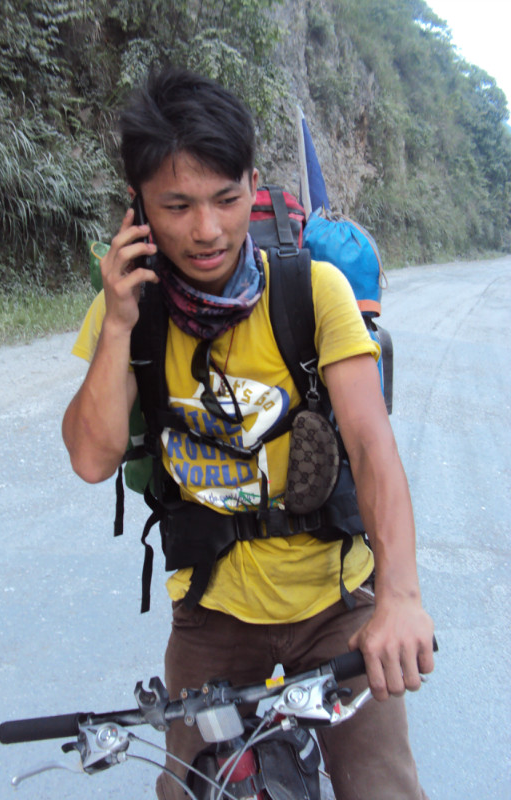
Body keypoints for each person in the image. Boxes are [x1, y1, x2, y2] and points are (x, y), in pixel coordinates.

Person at [62, 67, 434, 800]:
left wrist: (399, 597)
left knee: (384, 789)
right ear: (138, 207)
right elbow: (90, 458)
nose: (206, 230)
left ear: (253, 185)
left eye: (226, 199)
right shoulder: (128, 313)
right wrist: (118, 324)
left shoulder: (312, 291)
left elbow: (371, 446)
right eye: (177, 205)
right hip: (213, 615)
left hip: (337, 602)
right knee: (189, 791)